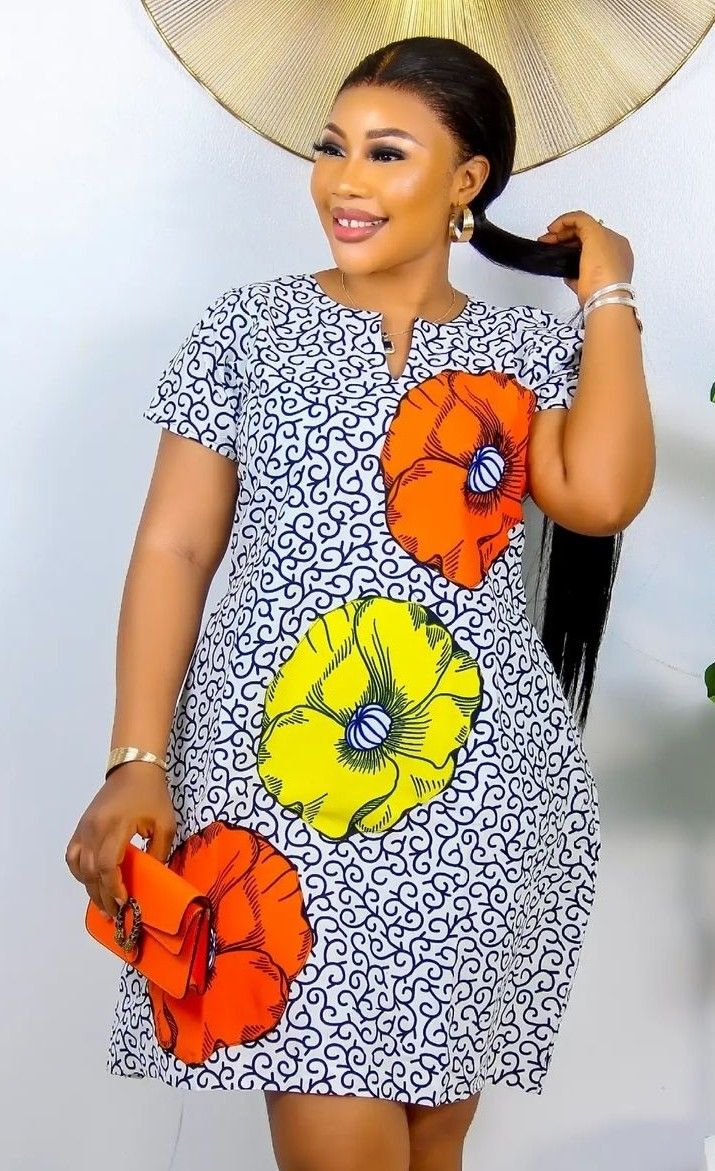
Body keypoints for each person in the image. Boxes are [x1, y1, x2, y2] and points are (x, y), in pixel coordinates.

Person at [65, 34, 655, 1171]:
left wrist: (610, 292)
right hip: (271, 784)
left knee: (433, 1136)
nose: (343, 180)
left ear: (466, 180)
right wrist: (137, 755)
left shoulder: (523, 347)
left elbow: (601, 495)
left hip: (474, 792)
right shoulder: (247, 328)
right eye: (332, 147)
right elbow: (175, 548)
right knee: (333, 1118)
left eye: (387, 153)